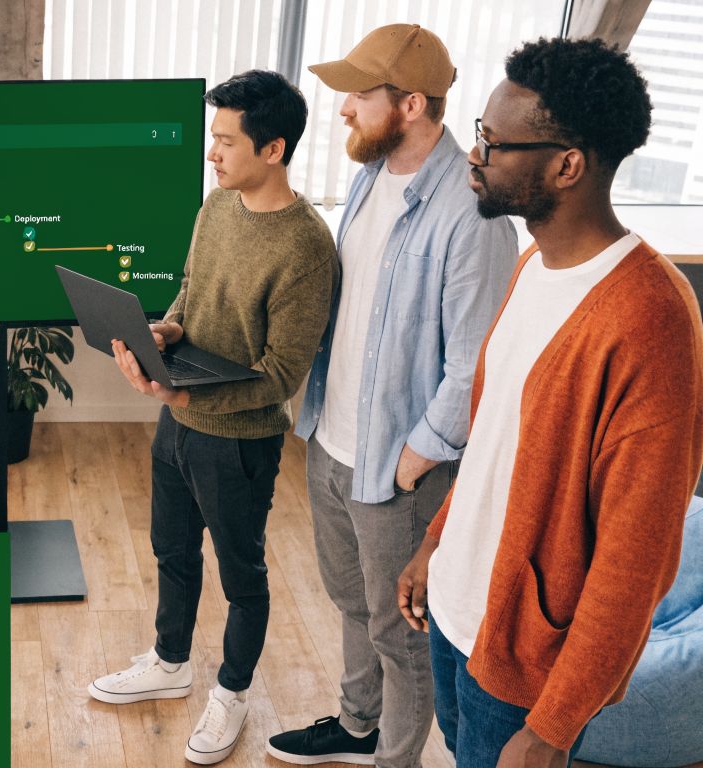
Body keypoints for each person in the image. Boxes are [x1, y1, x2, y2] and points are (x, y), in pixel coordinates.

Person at [396, 37, 703, 767]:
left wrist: (558, 724)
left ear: (567, 165)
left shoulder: (650, 319)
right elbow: (495, 437)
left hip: (525, 655)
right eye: (481, 135)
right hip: (455, 610)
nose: (474, 157)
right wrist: (436, 543)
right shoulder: (533, 263)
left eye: (495, 145)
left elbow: (640, 557)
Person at [268, 24, 517, 768]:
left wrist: (417, 457)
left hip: (399, 469)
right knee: (351, 604)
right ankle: (355, 725)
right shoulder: (371, 175)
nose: (342, 108)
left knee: (402, 637)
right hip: (332, 439)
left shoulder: (472, 213)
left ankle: (395, 758)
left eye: (358, 94)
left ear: (410, 104)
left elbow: (476, 362)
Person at [88, 70, 337, 765]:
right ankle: (170, 662)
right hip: (181, 422)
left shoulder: (307, 248)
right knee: (171, 550)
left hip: (239, 443)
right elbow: (191, 294)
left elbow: (283, 375)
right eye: (213, 139)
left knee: (241, 574)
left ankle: (232, 693)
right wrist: (164, 332)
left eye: (227, 142)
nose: (213, 154)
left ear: (274, 149)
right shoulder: (217, 208)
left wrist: (187, 398)